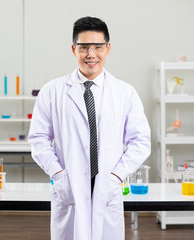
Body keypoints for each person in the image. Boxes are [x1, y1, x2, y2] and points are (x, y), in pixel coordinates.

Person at [28, 16, 151, 240]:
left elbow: (141, 141)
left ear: (108, 48)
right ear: (74, 49)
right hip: (70, 186)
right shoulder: (52, 91)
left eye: (97, 47)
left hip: (108, 187)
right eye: (84, 47)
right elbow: (38, 139)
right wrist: (58, 175)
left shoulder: (124, 93)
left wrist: (116, 177)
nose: (91, 55)